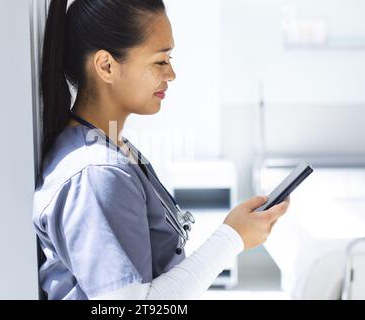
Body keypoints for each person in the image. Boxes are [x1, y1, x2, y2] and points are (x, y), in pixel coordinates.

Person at [32, 0, 290, 300]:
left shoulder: (110, 147)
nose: (172, 74)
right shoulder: (96, 174)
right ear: (106, 66)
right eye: (160, 61)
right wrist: (232, 238)